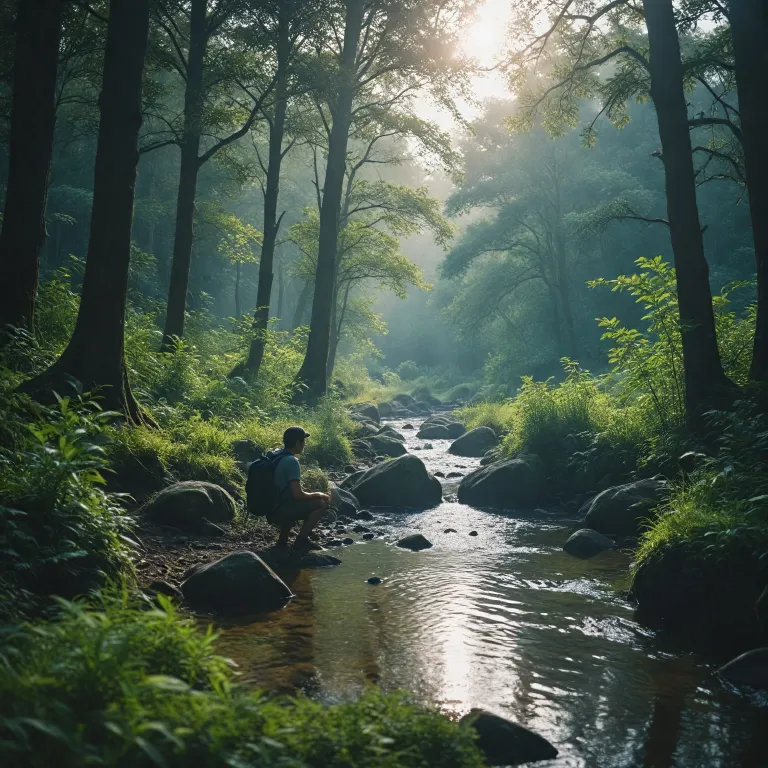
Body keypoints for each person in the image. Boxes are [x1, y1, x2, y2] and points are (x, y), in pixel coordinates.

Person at [268, 426, 330, 550]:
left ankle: (282, 541)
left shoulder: (274, 455)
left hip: (269, 508)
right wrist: (319, 494)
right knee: (321, 503)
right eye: (303, 441)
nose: (304, 445)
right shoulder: (291, 461)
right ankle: (301, 540)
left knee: (288, 499)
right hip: (279, 511)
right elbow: (298, 495)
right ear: (298, 443)